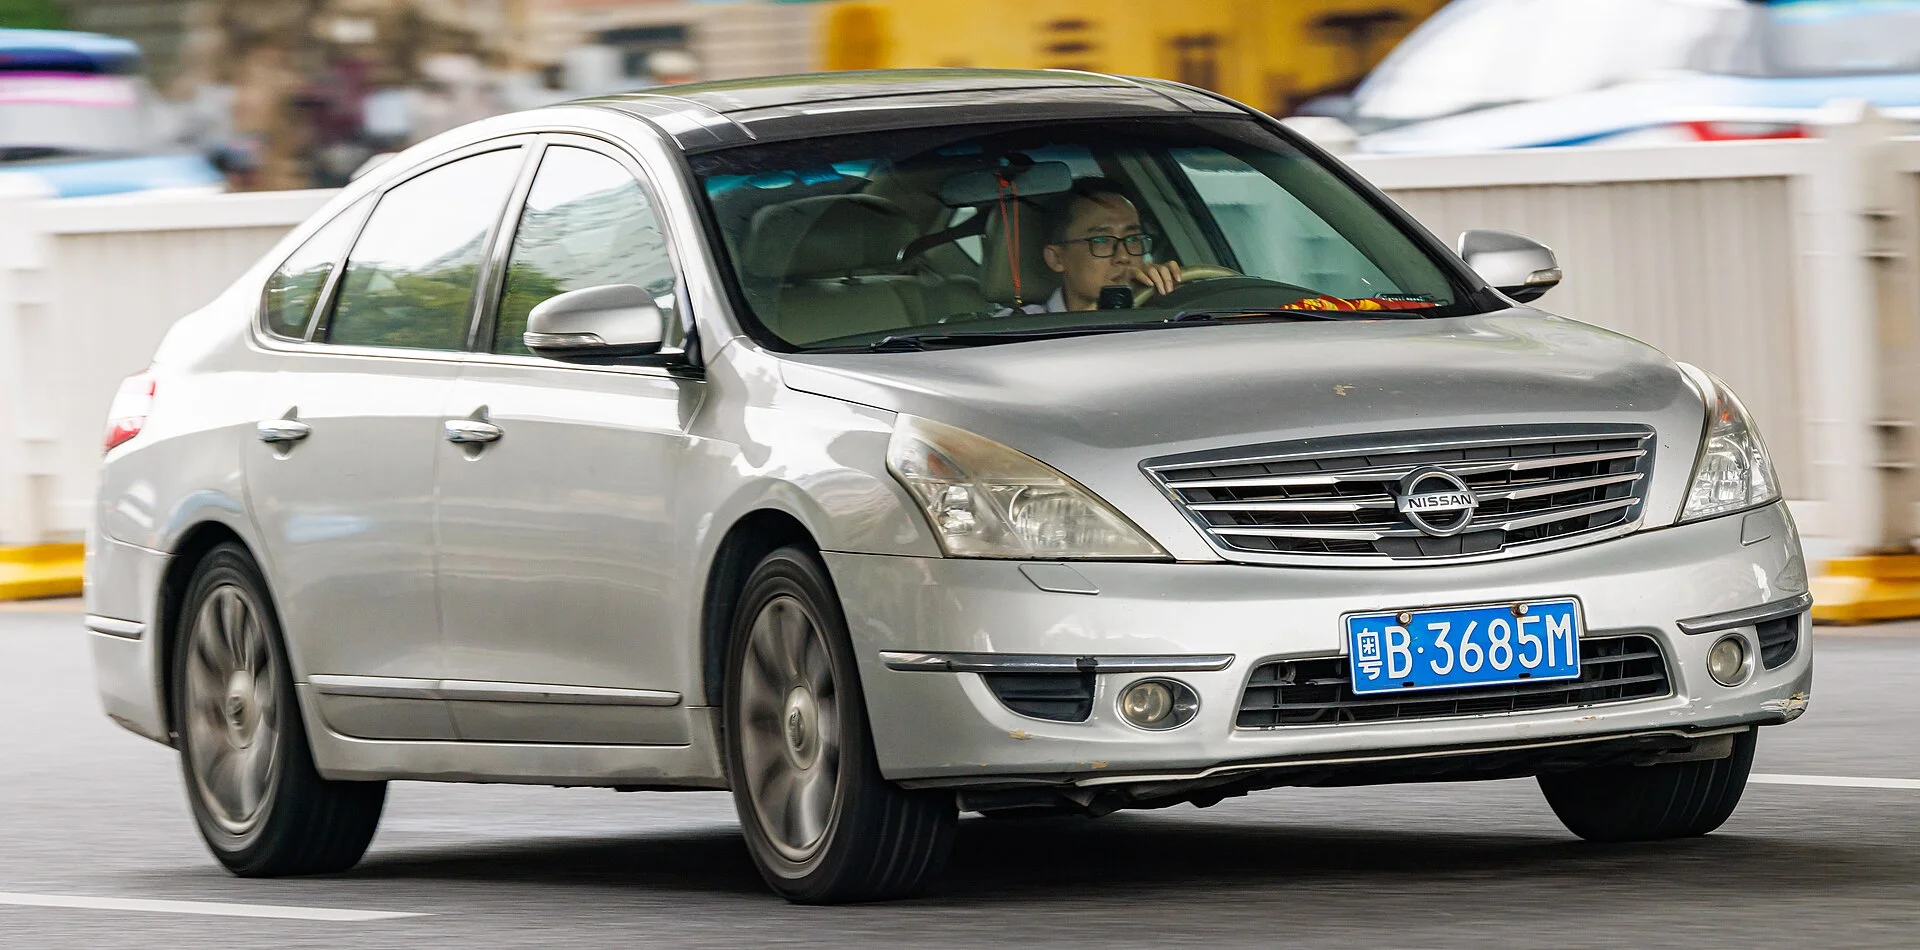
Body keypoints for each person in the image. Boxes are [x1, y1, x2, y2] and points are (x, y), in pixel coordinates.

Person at [1010, 178, 1184, 313]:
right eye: (1102, 241)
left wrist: (1174, 298)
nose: (1123, 257)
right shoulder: (1015, 330)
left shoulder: (1166, 314)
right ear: (1056, 258)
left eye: (1133, 239)